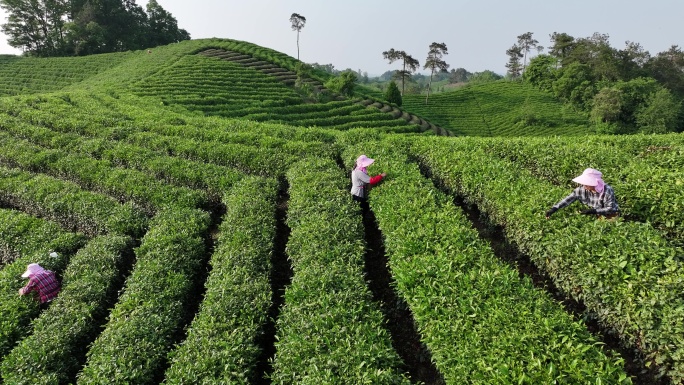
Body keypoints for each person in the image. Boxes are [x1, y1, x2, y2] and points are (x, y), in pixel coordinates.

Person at [546, 168, 620, 219]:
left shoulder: (607, 190)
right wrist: (554, 209)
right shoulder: (581, 190)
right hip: (595, 213)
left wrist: (593, 211)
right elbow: (568, 199)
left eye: (587, 183)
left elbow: (610, 209)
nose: (585, 185)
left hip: (610, 214)